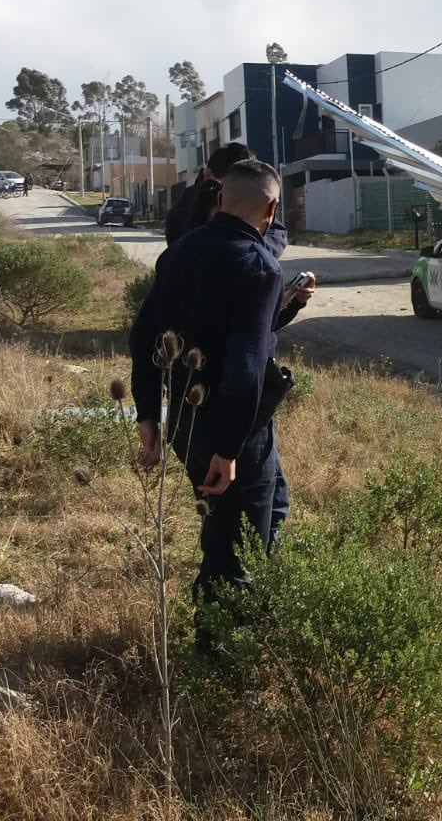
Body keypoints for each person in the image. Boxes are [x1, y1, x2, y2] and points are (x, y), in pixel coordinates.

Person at [129, 160, 315, 631]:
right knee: (234, 550)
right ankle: (221, 651)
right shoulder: (258, 266)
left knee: (270, 506)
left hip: (186, 424)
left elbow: (144, 336)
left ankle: (249, 622)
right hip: (233, 430)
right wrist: (229, 450)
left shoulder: (178, 254)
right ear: (272, 209)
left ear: (219, 200)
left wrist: (148, 415)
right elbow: (246, 366)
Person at [167, 142, 292, 257]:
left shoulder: (256, 264)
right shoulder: (182, 212)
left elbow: (277, 232)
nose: (240, 194)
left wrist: (252, 253)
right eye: (233, 184)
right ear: (209, 175)